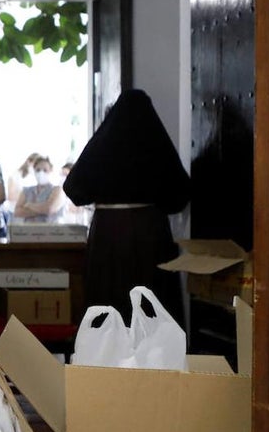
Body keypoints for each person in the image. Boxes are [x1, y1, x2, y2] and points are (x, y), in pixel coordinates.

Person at [62, 89, 190, 324]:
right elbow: (179, 197)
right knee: (152, 306)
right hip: (151, 234)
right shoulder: (157, 143)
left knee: (108, 302)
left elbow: (74, 189)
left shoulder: (102, 145)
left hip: (108, 235)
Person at [12, 156, 65, 223]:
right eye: (38, 170)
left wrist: (29, 205)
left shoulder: (57, 190)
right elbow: (17, 212)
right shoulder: (26, 190)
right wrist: (43, 209)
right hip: (28, 231)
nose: (41, 173)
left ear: (51, 171)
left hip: (49, 231)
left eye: (45, 170)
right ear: (34, 171)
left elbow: (49, 209)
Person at [4, 152, 41, 223]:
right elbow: (11, 197)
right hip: (14, 213)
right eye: (35, 164)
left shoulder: (37, 177)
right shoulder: (15, 175)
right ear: (29, 162)